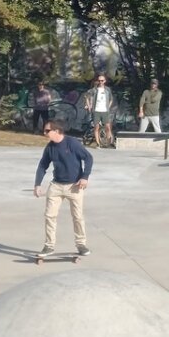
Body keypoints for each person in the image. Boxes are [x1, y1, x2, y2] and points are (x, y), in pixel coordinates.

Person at [32, 119, 93, 263]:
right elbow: (42, 166)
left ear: (57, 131)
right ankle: (49, 246)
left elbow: (88, 158)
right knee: (49, 216)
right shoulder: (50, 147)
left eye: (47, 131)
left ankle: (81, 244)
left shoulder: (72, 143)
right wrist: (37, 184)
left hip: (75, 186)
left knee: (77, 216)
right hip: (56, 186)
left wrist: (85, 177)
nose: (44, 133)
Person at [88, 72, 115, 148]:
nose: (100, 82)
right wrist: (89, 105)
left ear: (105, 81)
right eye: (99, 80)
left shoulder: (107, 90)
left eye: (102, 80)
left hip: (105, 110)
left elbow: (111, 99)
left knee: (107, 127)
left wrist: (108, 107)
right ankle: (98, 143)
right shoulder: (95, 89)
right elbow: (87, 96)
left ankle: (108, 142)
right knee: (96, 127)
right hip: (96, 110)